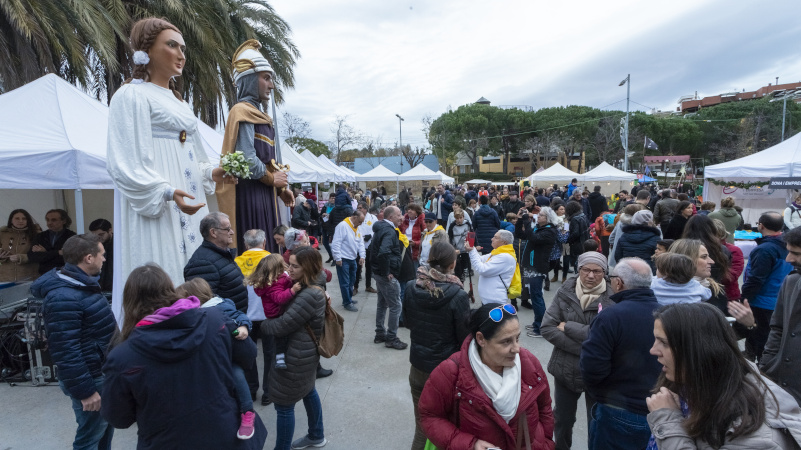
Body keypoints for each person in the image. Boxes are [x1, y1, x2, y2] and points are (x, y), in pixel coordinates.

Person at [106, 18, 229, 319]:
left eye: (183, 47)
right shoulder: (131, 95)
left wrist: (211, 173)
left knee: (197, 271)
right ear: (145, 50)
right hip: (160, 206)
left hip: (190, 201)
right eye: (171, 45)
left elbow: (197, 157)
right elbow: (123, 162)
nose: (181, 54)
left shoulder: (181, 104)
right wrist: (164, 192)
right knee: (165, 265)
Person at [101, 264, 267, 448]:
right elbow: (248, 354)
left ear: (129, 301)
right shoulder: (214, 320)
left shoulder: (123, 356)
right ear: (171, 288)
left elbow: (118, 417)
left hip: (168, 440)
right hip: (225, 433)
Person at [646, 303, 801, 449]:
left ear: (700, 351)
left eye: (664, 343)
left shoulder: (756, 433)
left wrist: (667, 420)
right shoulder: (693, 384)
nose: (653, 350)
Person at [419, 303, 555, 450]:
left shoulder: (529, 362)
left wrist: (545, 442)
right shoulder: (450, 372)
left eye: (517, 338)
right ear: (481, 339)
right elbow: (430, 416)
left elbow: (545, 406)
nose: (517, 349)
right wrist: (469, 445)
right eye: (506, 341)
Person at [33, 234, 116, 450]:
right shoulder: (63, 297)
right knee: (89, 439)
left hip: (99, 373)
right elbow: (66, 350)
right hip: (90, 378)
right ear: (89, 258)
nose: (104, 259)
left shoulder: (82, 285)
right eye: (102, 255)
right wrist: (85, 392)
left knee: (102, 434)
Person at [217, 39, 293, 253]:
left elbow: (270, 162)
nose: (272, 85)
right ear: (250, 79)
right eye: (266, 78)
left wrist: (281, 189)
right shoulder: (242, 111)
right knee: (256, 253)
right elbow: (247, 158)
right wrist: (271, 180)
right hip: (251, 195)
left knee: (268, 250)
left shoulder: (261, 115)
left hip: (266, 193)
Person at [580, 257, 662, 450]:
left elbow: (592, 367)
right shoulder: (667, 313)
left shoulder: (610, 316)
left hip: (617, 409)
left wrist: (603, 394)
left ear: (619, 282)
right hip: (658, 409)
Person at [542, 251, 614, 450]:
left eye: (597, 271)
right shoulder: (565, 291)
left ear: (605, 273)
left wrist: (568, 327)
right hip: (565, 369)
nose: (591, 276)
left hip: (599, 372)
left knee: (596, 422)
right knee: (563, 421)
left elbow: (610, 338)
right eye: (586, 270)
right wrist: (591, 347)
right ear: (579, 269)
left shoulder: (613, 297)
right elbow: (547, 327)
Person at [259, 246, 328, 449]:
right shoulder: (306, 285)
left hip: (296, 356)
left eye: (295, 266)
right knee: (308, 390)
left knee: (283, 406)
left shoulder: (308, 294)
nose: (289, 269)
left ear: (308, 267)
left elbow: (281, 326)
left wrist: (262, 324)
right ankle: (316, 435)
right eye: (290, 263)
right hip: (303, 353)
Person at [404, 242, 471, 450]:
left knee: (422, 427)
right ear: (452, 264)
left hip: (418, 367)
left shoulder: (411, 286)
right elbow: (465, 340)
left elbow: (407, 322)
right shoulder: (458, 294)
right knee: (444, 430)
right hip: (446, 372)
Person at [175, 278, 256, 439]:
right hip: (212, 356)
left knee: (237, 374)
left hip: (228, 355)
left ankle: (247, 411)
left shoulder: (220, 307)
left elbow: (240, 316)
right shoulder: (198, 312)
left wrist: (243, 327)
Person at [741, 212, 793, 361]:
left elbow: (756, 279)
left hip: (761, 301)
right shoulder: (786, 245)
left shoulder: (765, 249)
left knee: (759, 335)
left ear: (761, 225)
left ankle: (760, 365)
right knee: (767, 335)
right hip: (778, 298)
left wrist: (744, 298)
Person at [760, 225, 801, 406]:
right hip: (785, 388)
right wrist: (766, 366)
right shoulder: (791, 281)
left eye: (797, 254)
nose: (789, 259)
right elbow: (777, 328)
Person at [233, 229, 272, 406]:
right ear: (264, 243)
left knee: (248, 355)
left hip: (243, 316)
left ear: (246, 245)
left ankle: (251, 389)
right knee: (270, 354)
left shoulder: (235, 262)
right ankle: (269, 392)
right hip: (268, 314)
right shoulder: (272, 260)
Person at [183, 212, 249, 312]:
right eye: (227, 229)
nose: (232, 232)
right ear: (213, 232)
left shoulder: (222, 254)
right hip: (226, 323)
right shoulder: (201, 263)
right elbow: (205, 304)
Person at [370, 206, 408, 350]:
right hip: (384, 275)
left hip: (378, 273)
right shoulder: (389, 231)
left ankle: (380, 333)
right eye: (399, 215)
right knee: (395, 306)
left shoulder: (381, 228)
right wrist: (387, 272)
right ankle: (391, 338)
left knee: (382, 303)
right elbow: (383, 252)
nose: (402, 217)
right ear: (391, 217)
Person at [518, 207, 559, 337]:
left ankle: (541, 328)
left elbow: (533, 238)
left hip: (537, 267)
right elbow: (520, 234)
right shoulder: (539, 228)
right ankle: (538, 323)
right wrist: (520, 220)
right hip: (532, 266)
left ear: (548, 218)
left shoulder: (549, 231)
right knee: (535, 296)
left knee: (536, 297)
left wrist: (526, 221)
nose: (537, 216)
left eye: (541, 215)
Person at [465, 229, 518, 305]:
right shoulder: (498, 253)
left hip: (494, 300)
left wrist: (471, 250)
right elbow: (480, 259)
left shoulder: (505, 257)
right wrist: (472, 248)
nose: (492, 239)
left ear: (504, 242)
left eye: (495, 237)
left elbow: (482, 269)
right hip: (489, 299)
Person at [331, 210, 365, 312]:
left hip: (352, 258)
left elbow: (361, 243)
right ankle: (347, 302)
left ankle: (348, 298)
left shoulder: (357, 227)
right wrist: (338, 258)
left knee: (352, 280)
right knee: (345, 282)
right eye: (360, 221)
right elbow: (336, 242)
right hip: (343, 259)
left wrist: (362, 256)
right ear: (354, 217)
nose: (361, 224)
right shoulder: (342, 226)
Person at [28, 209, 76, 275]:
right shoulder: (40, 236)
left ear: (64, 221)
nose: (49, 223)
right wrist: (58, 252)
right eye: (47, 220)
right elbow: (32, 257)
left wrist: (45, 253)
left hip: (65, 274)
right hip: (44, 274)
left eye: (54, 220)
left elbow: (70, 258)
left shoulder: (71, 237)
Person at [0, 209, 41, 282]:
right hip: (5, 278)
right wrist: (1, 256)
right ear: (11, 220)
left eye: (24, 218)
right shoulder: (2, 234)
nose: (21, 221)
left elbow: (41, 255)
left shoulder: (37, 234)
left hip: (29, 277)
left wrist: (22, 257)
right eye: (17, 218)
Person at [614, 210, 661, 274]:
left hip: (627, 269)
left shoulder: (625, 235)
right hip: (648, 270)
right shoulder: (655, 237)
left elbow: (618, 255)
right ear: (650, 221)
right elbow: (658, 256)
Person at [711, 218, 744, 301]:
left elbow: (731, 276)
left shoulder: (734, 250)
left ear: (720, 233)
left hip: (728, 296)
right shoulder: (700, 248)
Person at [356, 202, 378, 293]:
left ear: (365, 209)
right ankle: (355, 287)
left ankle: (368, 286)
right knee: (358, 266)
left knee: (369, 267)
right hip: (359, 244)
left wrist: (371, 235)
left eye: (360, 208)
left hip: (369, 244)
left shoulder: (373, 218)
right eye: (358, 208)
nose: (359, 209)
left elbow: (377, 229)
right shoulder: (356, 217)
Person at [565, 201, 590, 280]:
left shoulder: (574, 219)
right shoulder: (582, 215)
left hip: (577, 244)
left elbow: (576, 233)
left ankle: (578, 280)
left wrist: (568, 239)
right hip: (584, 241)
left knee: (577, 263)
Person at [88, 219, 114, 291]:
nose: (98, 238)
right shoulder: (93, 244)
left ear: (110, 230)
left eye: (101, 234)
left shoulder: (119, 243)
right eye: (94, 235)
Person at [400, 204, 426, 268]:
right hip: (404, 250)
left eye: (412, 209)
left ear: (417, 212)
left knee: (415, 271)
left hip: (416, 251)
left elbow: (426, 238)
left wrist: (415, 243)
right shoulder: (404, 221)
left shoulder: (422, 222)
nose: (409, 211)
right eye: (409, 209)